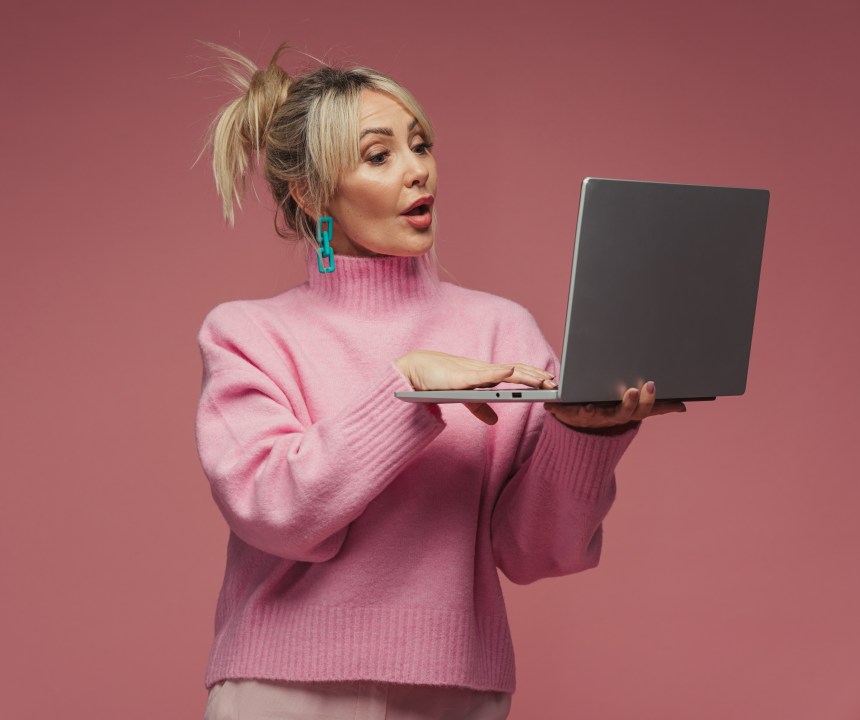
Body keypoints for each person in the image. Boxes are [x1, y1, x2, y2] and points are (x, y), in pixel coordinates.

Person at [194, 44, 684, 720]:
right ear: (311, 194)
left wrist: (583, 437)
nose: (417, 171)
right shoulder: (248, 334)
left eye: (420, 146)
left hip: (456, 689)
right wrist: (409, 390)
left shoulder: (500, 330)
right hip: (284, 690)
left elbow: (535, 553)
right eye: (378, 155)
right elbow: (278, 513)